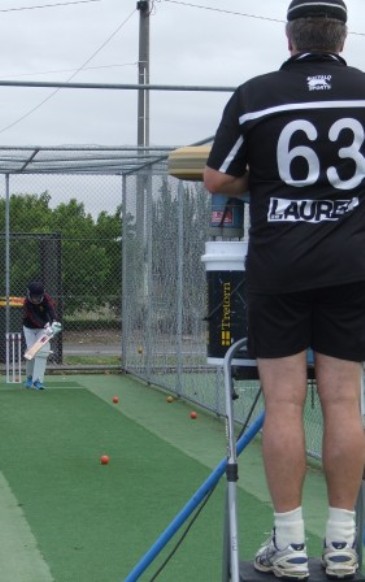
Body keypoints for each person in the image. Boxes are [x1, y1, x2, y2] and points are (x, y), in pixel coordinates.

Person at [203, 0, 365, 579]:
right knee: (345, 401)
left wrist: (267, 182)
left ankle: (291, 544)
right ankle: (343, 544)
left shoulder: (256, 93)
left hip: (280, 269)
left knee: (284, 404)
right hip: (352, 267)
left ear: (290, 37)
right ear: (342, 37)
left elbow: (217, 178)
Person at [22, 281, 57, 390]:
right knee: (31, 352)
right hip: (29, 329)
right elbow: (33, 317)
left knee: (42, 351)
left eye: (38, 297)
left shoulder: (46, 298)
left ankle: (38, 381)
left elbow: (51, 310)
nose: (36, 300)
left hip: (43, 329)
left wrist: (55, 322)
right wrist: (46, 325)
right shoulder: (27, 303)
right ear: (29, 294)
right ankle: (29, 377)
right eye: (34, 297)